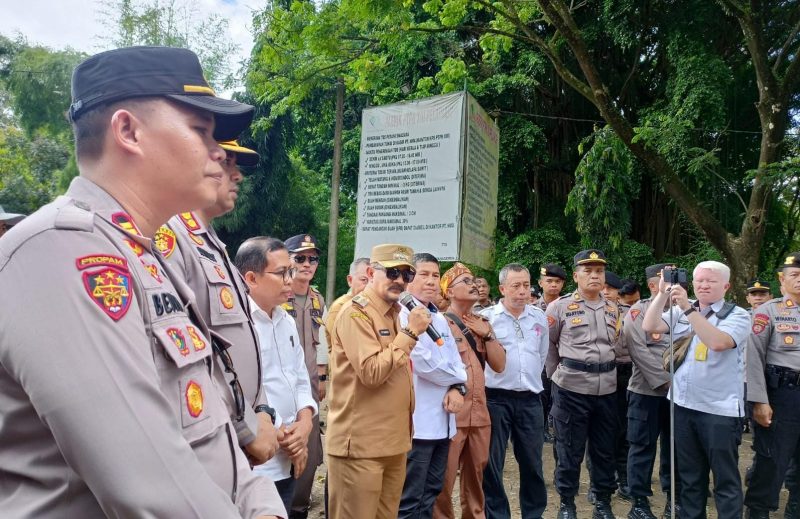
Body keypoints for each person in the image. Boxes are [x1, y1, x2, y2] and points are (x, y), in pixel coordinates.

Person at [0, 46, 284, 517]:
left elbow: (211, 416)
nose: (220, 153)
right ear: (128, 131)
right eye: (201, 130)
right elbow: (149, 489)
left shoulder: (148, 256)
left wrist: (261, 504)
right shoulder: (62, 252)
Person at [158, 139, 278, 465]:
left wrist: (263, 411)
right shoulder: (170, 239)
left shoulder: (215, 246)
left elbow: (244, 346)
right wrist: (246, 429)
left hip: (240, 432)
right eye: (228, 163)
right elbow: (184, 357)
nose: (238, 176)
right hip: (210, 441)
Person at [327, 244, 432, 519]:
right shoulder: (355, 313)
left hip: (394, 443)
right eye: (392, 272)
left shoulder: (396, 313)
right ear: (372, 272)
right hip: (361, 446)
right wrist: (410, 333)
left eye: (406, 275)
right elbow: (372, 372)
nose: (399, 280)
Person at [642, 261, 750, 519]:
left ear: (726, 286)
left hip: (718, 410)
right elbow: (650, 326)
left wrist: (688, 309)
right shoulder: (682, 310)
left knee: (725, 479)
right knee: (689, 477)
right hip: (683, 406)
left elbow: (718, 342)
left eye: (711, 281)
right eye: (699, 280)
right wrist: (661, 294)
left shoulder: (737, 315)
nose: (703, 285)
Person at [236, 237, 318, 511]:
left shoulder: (286, 321)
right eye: (282, 272)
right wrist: (288, 433)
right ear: (251, 278)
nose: (290, 279)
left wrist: (305, 422)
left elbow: (299, 378)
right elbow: (240, 390)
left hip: (290, 454)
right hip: (258, 459)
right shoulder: (237, 325)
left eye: (290, 271)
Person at [545, 250, 623, 519]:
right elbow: (550, 346)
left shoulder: (614, 308)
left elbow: (617, 345)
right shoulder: (559, 307)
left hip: (607, 389)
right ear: (576, 276)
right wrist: (558, 376)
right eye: (588, 271)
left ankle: (602, 502)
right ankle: (567, 503)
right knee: (569, 449)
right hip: (571, 389)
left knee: (604, 450)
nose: (594, 276)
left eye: (599, 271)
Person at [397, 253, 468, 519]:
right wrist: (458, 380)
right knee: (410, 497)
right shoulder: (403, 314)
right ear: (409, 278)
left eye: (435, 275)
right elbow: (423, 363)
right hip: (419, 422)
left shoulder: (438, 318)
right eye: (423, 274)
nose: (430, 281)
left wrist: (457, 386)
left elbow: (456, 360)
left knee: (432, 491)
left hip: (444, 421)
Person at [434, 263, 507, 519]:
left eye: (474, 280)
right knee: (443, 478)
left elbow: (499, 365)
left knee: (476, 475)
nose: (474, 284)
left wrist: (487, 336)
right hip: (451, 415)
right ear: (450, 291)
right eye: (465, 281)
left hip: (479, 414)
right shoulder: (441, 324)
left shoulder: (483, 323)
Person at [479, 263, 549, 519]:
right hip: (496, 399)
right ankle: (497, 515)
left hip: (530, 400)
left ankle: (534, 513)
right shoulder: (487, 318)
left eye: (526, 285)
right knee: (492, 464)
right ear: (502, 289)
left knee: (532, 463)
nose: (522, 291)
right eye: (515, 286)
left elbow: (541, 356)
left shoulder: (538, 317)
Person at [744, 253, 800, 518]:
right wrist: (758, 400)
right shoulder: (769, 311)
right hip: (782, 395)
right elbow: (753, 358)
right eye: (795, 275)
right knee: (771, 461)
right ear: (782, 280)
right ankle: (758, 511)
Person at [624, 264, 677, 519]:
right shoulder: (638, 311)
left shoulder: (688, 310)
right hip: (646, 391)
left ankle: (673, 500)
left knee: (675, 448)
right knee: (642, 447)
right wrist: (665, 382)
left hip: (681, 395)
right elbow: (638, 350)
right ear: (652, 285)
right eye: (665, 279)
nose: (671, 283)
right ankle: (639, 503)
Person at [282, 233, 328, 519]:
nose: (307, 264)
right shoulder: (275, 295)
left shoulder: (317, 299)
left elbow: (320, 344)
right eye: (300, 258)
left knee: (308, 462)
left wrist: (322, 377)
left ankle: (298, 510)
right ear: (286, 260)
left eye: (313, 259)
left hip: (309, 394)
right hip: (279, 393)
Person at [603, 270, 633, 501]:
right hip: (600, 375)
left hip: (626, 374)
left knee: (624, 430)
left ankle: (624, 478)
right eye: (602, 287)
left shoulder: (631, 314)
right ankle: (601, 482)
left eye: (610, 289)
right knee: (601, 430)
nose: (605, 292)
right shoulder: (585, 311)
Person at [324, 257, 370, 346]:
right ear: (350, 280)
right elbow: (346, 345)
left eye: (372, 281)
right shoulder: (340, 307)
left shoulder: (371, 305)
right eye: (364, 280)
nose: (369, 286)